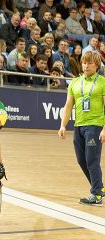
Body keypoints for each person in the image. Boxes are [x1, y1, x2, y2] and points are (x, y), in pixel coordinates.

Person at [58, 51, 105, 206]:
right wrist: (63, 125)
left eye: (90, 63)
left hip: (95, 125)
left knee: (92, 159)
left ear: (96, 65)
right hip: (79, 126)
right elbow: (68, 105)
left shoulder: (102, 82)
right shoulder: (75, 82)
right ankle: (100, 187)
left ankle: (96, 194)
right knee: (81, 160)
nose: (86, 66)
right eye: (84, 63)